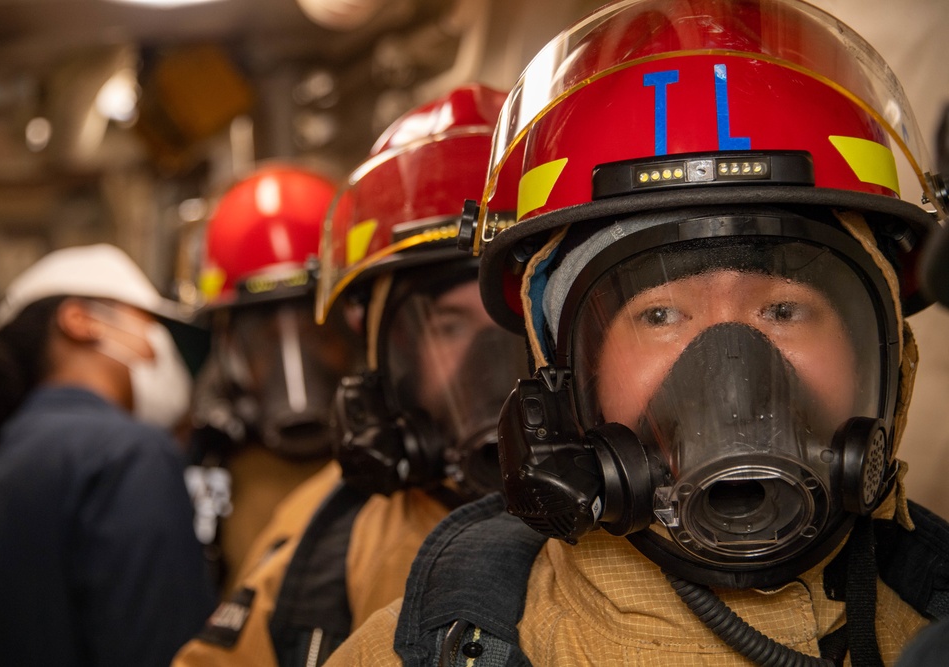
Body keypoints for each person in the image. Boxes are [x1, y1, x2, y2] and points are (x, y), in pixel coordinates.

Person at [326, 1, 949, 665]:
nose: (732, 375)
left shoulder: (930, 623)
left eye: (783, 309)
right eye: (660, 315)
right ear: (565, 370)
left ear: (883, 353)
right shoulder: (422, 649)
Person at [173, 83, 528, 667]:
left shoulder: (686, 528)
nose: (490, 365)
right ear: (383, 349)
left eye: (509, 315)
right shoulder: (318, 544)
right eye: (447, 326)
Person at [0, 243, 217, 667]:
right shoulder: (129, 454)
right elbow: (166, 650)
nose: (158, 349)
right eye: (148, 324)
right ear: (80, 321)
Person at [185, 163, 360, 593]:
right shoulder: (217, 478)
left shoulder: (408, 478)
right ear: (228, 345)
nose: (295, 367)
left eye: (316, 330)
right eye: (265, 338)